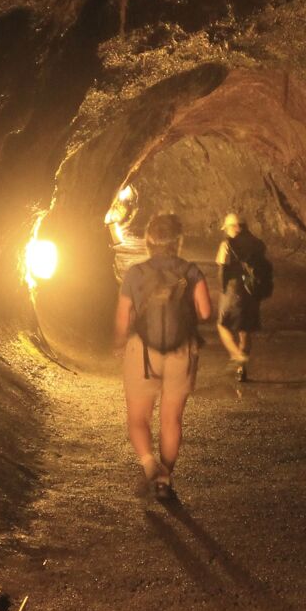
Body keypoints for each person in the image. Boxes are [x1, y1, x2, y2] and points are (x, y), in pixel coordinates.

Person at [115, 211, 212, 499]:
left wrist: (119, 344)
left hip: (142, 352)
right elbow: (205, 312)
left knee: (138, 417)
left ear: (148, 241)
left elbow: (123, 319)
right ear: (177, 241)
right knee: (171, 419)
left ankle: (149, 467)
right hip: (181, 350)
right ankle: (165, 477)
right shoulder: (191, 271)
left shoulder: (135, 273)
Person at [214, 212, 269, 381]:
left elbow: (222, 267)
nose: (227, 231)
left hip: (233, 291)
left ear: (234, 227)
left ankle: (238, 355)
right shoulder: (258, 244)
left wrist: (222, 288)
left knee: (222, 325)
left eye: (228, 227)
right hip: (251, 292)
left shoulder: (227, 244)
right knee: (245, 332)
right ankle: (241, 369)